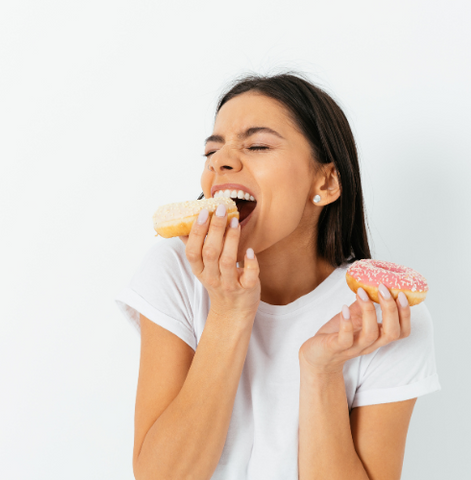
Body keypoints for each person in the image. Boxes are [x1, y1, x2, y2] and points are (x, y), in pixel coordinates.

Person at [115, 73, 441, 480]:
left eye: (257, 145)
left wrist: (321, 370)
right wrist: (229, 314)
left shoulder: (383, 315)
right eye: (212, 152)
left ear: (325, 181)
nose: (221, 161)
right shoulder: (175, 271)